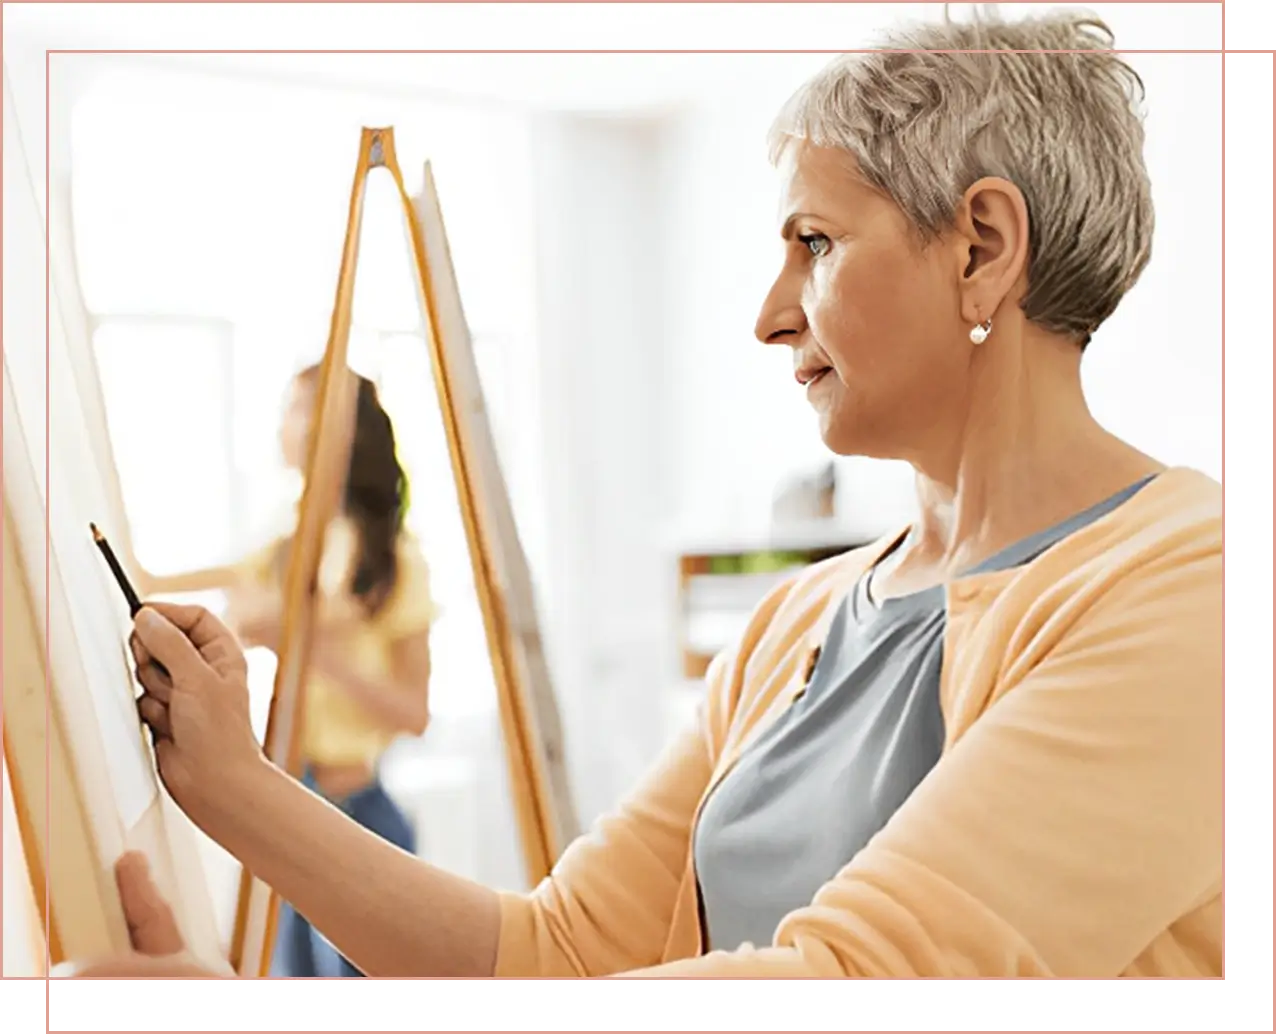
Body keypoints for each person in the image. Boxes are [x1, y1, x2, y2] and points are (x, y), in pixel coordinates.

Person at [89, 9, 1221, 979]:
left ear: (981, 245)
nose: (770, 314)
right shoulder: (797, 619)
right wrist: (230, 785)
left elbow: (850, 986)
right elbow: (559, 954)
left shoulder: (1198, 596)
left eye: (815, 243)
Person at [215, 363, 436, 977]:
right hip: (290, 806)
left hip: (358, 814)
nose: (289, 424)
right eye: (290, 406)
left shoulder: (394, 561)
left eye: (304, 406)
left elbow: (414, 713)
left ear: (348, 429)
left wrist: (309, 643)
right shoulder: (284, 548)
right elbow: (236, 610)